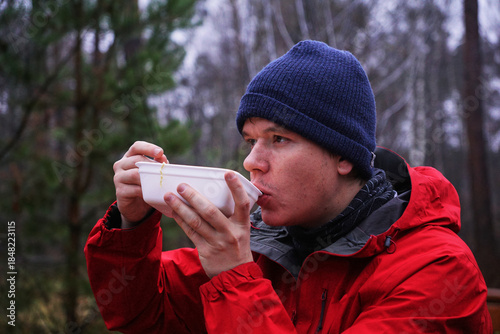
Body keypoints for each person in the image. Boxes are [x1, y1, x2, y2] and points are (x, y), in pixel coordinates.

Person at [84, 40, 492, 333]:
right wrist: (131, 225)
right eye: (251, 141)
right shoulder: (265, 244)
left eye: (279, 139)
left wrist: (235, 279)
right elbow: (137, 314)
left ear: (343, 155)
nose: (251, 162)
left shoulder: (438, 270)